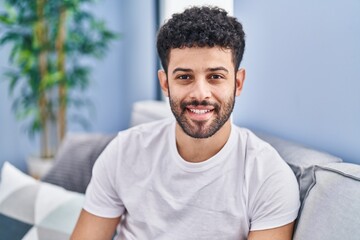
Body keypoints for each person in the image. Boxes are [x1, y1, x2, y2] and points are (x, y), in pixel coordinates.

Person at [71, 6, 300, 240]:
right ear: (165, 83)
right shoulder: (124, 151)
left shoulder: (269, 178)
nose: (200, 93)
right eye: (184, 77)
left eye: (215, 77)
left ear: (238, 83)